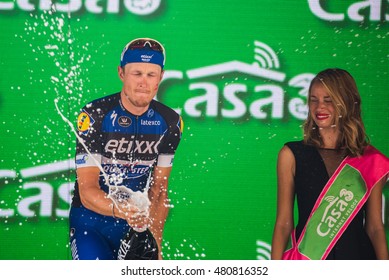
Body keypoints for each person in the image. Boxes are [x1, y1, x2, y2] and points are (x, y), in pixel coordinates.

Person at [69, 38, 183, 260]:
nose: (144, 82)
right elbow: (87, 190)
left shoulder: (170, 122)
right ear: (121, 73)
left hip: (135, 228)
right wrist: (122, 211)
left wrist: (156, 244)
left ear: (161, 77)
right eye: (136, 73)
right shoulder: (95, 115)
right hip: (91, 224)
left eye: (151, 75)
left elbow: (159, 190)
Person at [271, 68, 389, 260]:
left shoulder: (369, 159)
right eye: (313, 99)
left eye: (328, 100)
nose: (319, 107)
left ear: (347, 102)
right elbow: (284, 223)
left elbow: (375, 227)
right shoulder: (291, 155)